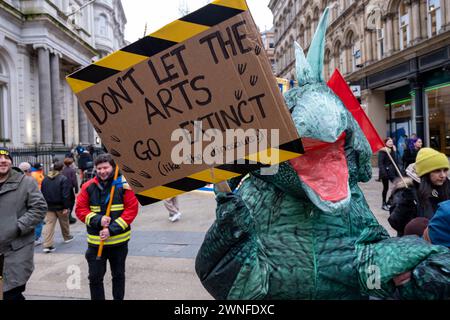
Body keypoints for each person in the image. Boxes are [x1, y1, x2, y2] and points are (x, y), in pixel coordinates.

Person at [75, 153, 138, 300]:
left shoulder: (124, 186)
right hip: (96, 245)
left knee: (118, 275)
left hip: (119, 244)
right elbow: (80, 210)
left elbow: (131, 211)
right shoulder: (87, 186)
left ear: (113, 167)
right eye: (99, 168)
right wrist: (98, 220)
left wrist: (111, 229)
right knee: (95, 278)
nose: (102, 171)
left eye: (105, 167)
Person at [0, 147, 47, 300]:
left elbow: (39, 208)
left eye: (6, 157)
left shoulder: (26, 182)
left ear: (11, 161)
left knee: (11, 293)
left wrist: (17, 226)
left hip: (16, 249)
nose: (2, 160)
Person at [388, 147, 450, 236]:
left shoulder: (447, 186)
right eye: (437, 171)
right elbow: (396, 223)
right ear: (426, 172)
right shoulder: (407, 190)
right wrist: (405, 205)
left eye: (445, 170)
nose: (443, 175)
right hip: (416, 245)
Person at [41, 161, 74, 253]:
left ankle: (47, 245)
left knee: (49, 224)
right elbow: (66, 195)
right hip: (60, 205)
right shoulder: (63, 179)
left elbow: (42, 192)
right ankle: (67, 237)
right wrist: (66, 207)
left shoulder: (45, 179)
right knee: (64, 222)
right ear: (62, 168)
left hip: (49, 206)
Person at [378, 137, 399, 211]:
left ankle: (390, 201)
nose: (391, 143)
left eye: (392, 141)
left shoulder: (393, 150)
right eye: (389, 141)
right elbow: (380, 163)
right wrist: (383, 173)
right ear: (386, 143)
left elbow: (395, 161)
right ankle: (383, 204)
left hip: (392, 172)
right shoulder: (383, 151)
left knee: (398, 186)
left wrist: (395, 152)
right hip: (385, 173)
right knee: (386, 188)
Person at [30, 162, 45, 245]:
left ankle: (36, 236)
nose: (41, 168)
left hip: (40, 194)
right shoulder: (34, 174)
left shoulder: (39, 173)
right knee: (38, 220)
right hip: (37, 195)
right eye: (40, 167)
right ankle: (36, 237)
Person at [61, 157, 79, 224]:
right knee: (71, 202)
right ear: (71, 163)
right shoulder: (72, 170)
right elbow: (74, 181)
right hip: (69, 188)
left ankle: (68, 215)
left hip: (62, 187)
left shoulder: (62, 170)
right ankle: (69, 216)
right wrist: (76, 190)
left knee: (65, 201)